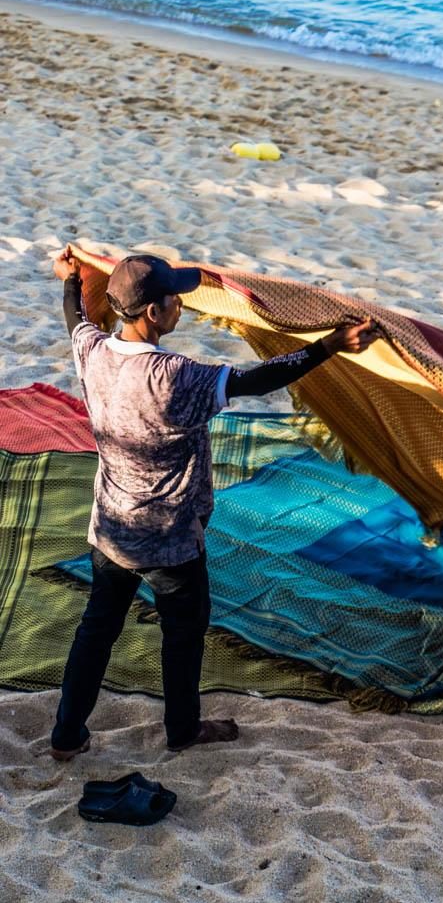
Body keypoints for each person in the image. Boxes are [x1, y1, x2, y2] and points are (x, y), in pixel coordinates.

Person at [50, 247, 380, 760]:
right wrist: (330, 344)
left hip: (111, 530)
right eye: (175, 300)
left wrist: (70, 281)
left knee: (96, 630)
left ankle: (66, 735)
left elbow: (75, 319)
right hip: (171, 539)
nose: (181, 306)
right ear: (155, 313)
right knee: (183, 635)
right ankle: (182, 730)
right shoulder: (176, 376)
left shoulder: (93, 353)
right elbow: (258, 379)